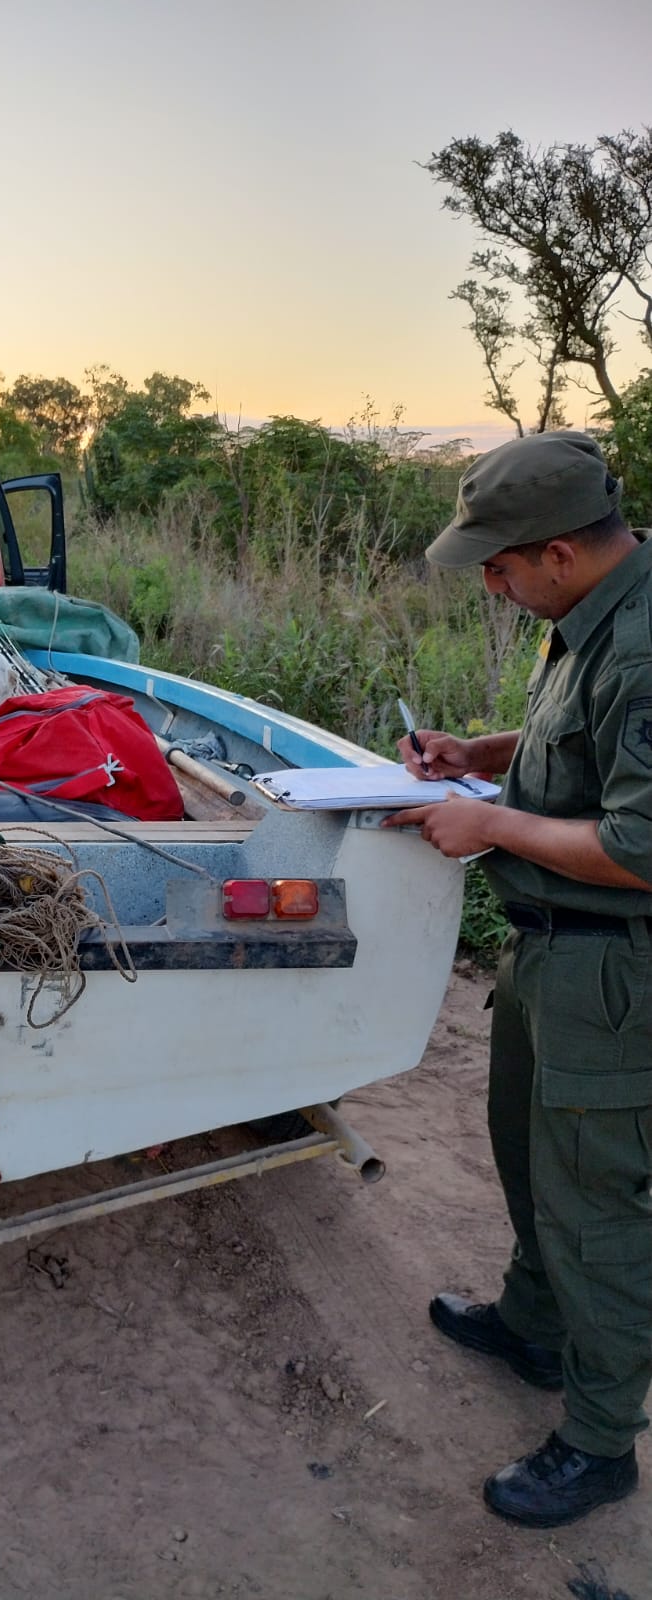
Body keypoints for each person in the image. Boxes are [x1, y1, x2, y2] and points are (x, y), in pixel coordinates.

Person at [381, 431, 652, 1528]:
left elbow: (641, 844)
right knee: (531, 1158)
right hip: (551, 948)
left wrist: (486, 823)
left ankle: (598, 1442)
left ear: (551, 553)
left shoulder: (641, 648)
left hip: (613, 972)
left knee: (597, 1209)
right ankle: (534, 1328)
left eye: (495, 565)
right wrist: (478, 755)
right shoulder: (591, 609)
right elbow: (571, 745)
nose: (487, 584)